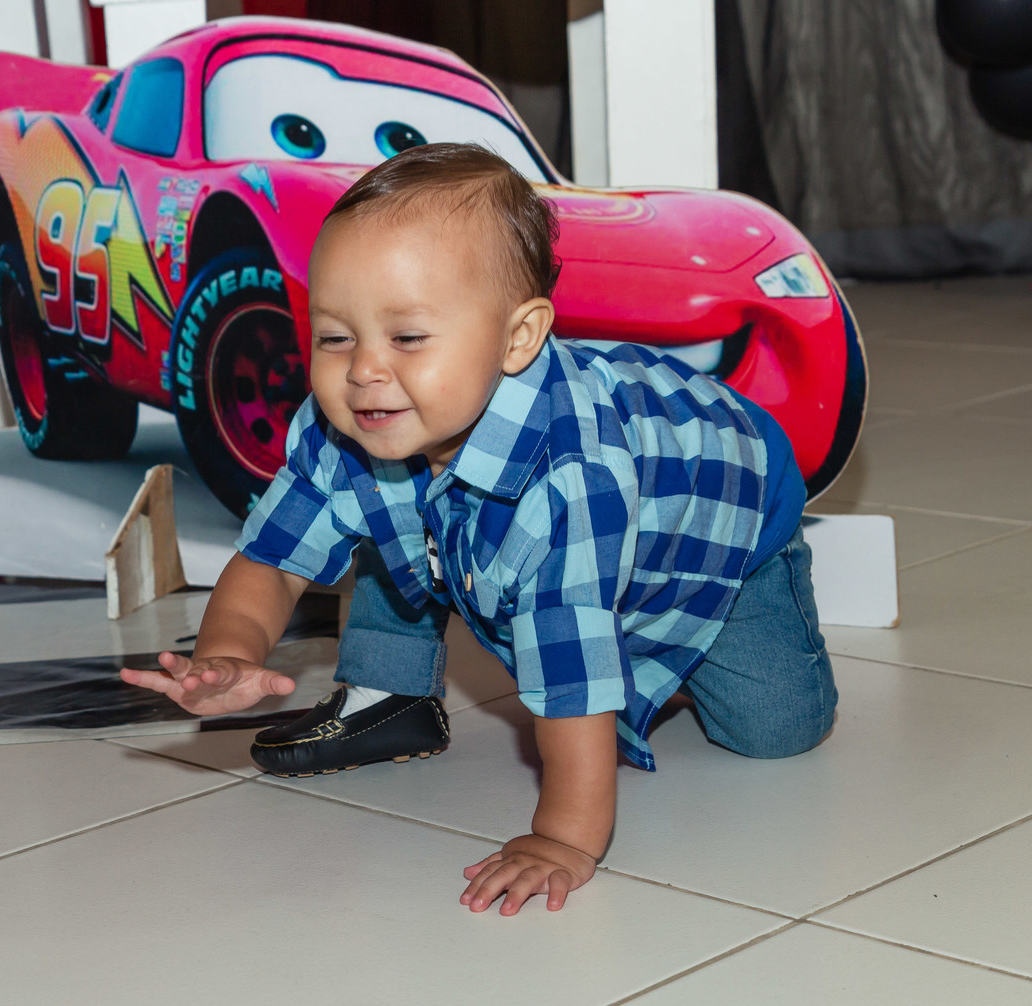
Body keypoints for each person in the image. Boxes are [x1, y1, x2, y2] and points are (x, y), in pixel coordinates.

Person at [121, 142, 837, 917]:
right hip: (483, 513)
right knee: (402, 519)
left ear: (519, 338)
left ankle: (728, 613)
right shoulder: (349, 426)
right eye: (335, 335)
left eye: (406, 337)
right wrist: (228, 654)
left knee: (775, 730)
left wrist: (564, 837)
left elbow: (569, 684)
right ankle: (391, 692)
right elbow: (271, 562)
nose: (362, 369)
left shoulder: (568, 483)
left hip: (724, 507)